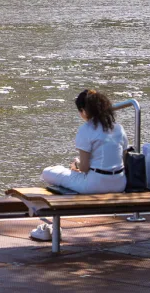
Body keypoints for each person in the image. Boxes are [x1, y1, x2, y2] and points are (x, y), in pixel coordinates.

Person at [31, 89, 129, 243]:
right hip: (120, 183)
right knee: (69, 173)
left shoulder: (86, 129)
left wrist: (75, 164)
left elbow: (83, 168)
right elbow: (123, 159)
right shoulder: (118, 128)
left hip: (94, 184)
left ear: (84, 111)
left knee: (48, 172)